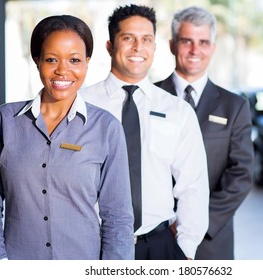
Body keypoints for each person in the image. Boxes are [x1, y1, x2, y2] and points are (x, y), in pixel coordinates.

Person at [0, 15, 134, 260]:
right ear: (37, 61)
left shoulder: (107, 128)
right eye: (51, 59)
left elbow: (118, 218)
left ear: (87, 62)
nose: (62, 70)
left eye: (74, 60)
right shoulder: (4, 121)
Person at [80, 4, 209, 260]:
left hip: (158, 246)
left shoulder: (177, 111)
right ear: (110, 46)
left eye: (146, 40)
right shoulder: (81, 104)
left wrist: (185, 248)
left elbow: (193, 186)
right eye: (128, 38)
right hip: (92, 245)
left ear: (154, 47)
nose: (138, 47)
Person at [155, 6, 253, 260]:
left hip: (211, 240)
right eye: (187, 41)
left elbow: (241, 174)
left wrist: (191, 224)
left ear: (213, 48)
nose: (195, 50)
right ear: (172, 45)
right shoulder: (148, 99)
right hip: (154, 236)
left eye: (203, 42)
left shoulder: (235, 106)